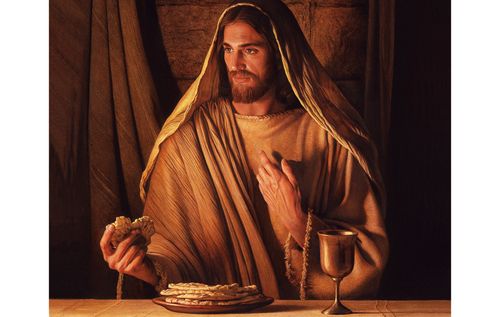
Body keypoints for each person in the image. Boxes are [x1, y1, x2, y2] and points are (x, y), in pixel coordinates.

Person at [100, 0, 388, 300]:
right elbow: (171, 247)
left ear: (280, 54)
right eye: (228, 50)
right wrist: (143, 265)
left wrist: (298, 221)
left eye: (250, 50)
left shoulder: (327, 138)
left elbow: (366, 261)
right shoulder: (194, 138)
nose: (236, 64)